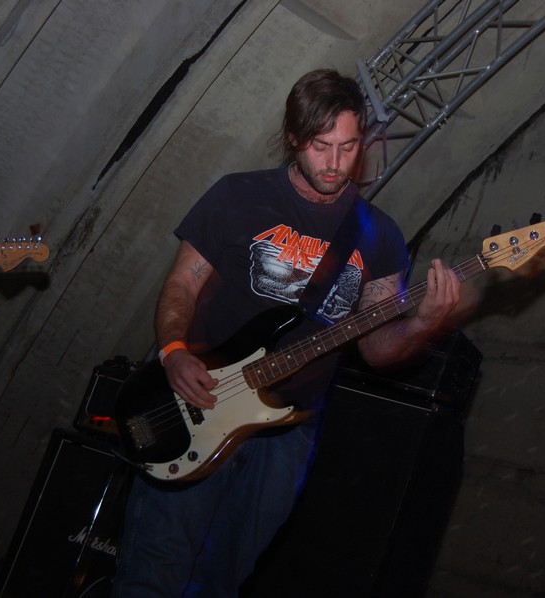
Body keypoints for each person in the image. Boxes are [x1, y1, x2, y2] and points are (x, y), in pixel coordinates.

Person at [112, 69, 462, 597]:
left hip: (288, 431)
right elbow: (182, 284)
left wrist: (426, 322)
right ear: (294, 138)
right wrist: (174, 351)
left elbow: (377, 349)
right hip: (201, 399)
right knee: (156, 568)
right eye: (321, 146)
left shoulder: (381, 237)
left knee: (223, 580)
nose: (336, 163)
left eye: (348, 147)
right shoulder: (239, 196)